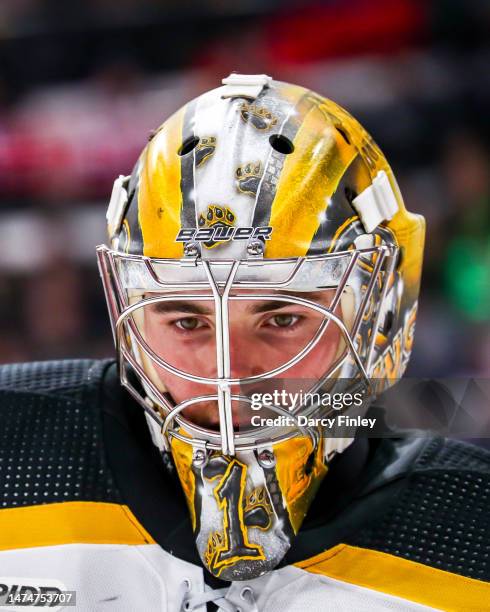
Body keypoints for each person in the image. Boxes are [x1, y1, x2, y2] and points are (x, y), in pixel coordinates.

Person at [0, 74, 489, 611]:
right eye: (187, 322)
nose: (229, 376)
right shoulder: (17, 455)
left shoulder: (469, 535)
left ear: (379, 315)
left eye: (281, 320)